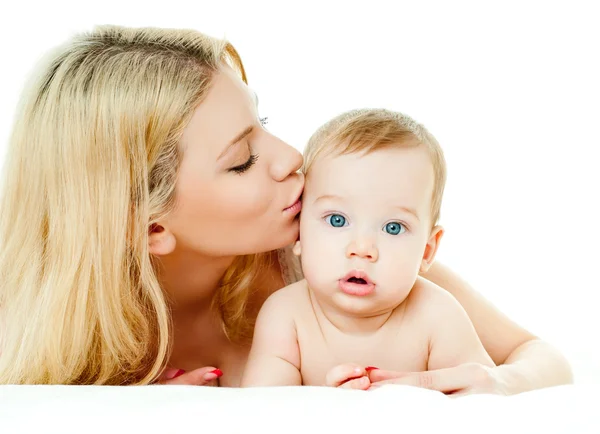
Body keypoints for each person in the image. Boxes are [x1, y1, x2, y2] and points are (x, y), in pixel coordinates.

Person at [0, 25, 572, 393]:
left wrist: (501, 385)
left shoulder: (339, 259)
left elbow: (544, 359)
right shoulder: (46, 338)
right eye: (243, 159)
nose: (292, 157)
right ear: (150, 226)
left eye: (263, 123)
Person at [241, 108, 496, 390]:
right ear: (299, 232)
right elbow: (263, 410)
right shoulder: (286, 315)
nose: (362, 249)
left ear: (426, 251)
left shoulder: (438, 316)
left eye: (393, 228)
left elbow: (484, 401)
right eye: (337, 220)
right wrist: (328, 406)